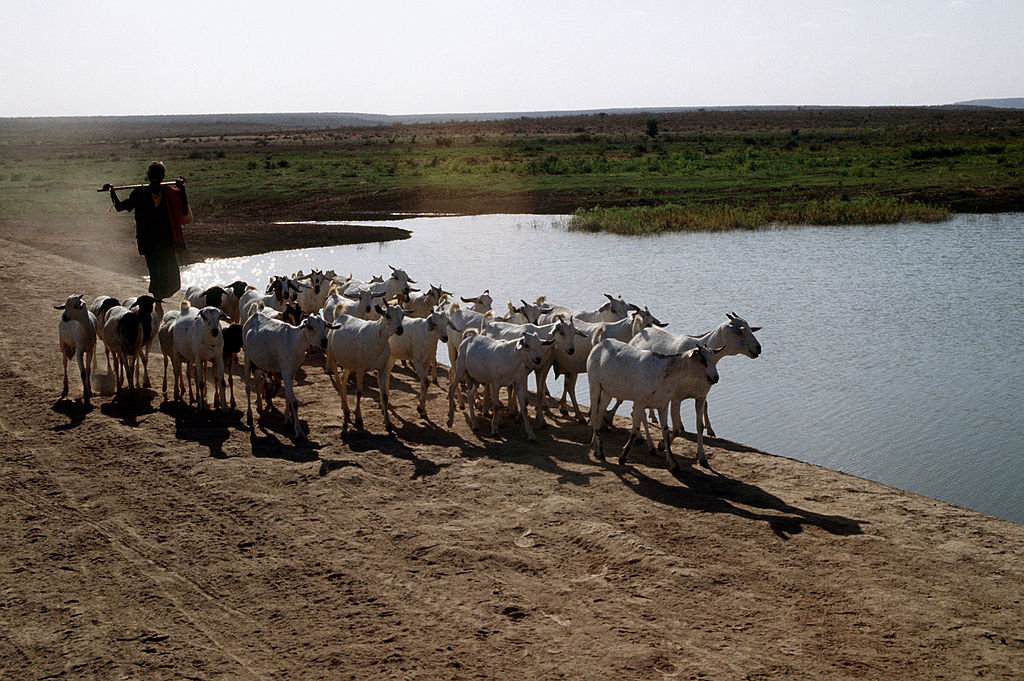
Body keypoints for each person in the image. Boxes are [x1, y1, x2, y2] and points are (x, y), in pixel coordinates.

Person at [106, 161, 191, 300]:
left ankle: (159, 296)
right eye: (153, 175)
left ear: (162, 176)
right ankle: (158, 297)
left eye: (157, 175)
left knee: (169, 271)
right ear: (149, 176)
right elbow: (120, 207)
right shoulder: (140, 193)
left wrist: (182, 190)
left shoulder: (169, 193)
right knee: (156, 270)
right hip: (148, 239)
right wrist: (112, 192)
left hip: (165, 239)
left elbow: (183, 209)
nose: (155, 178)